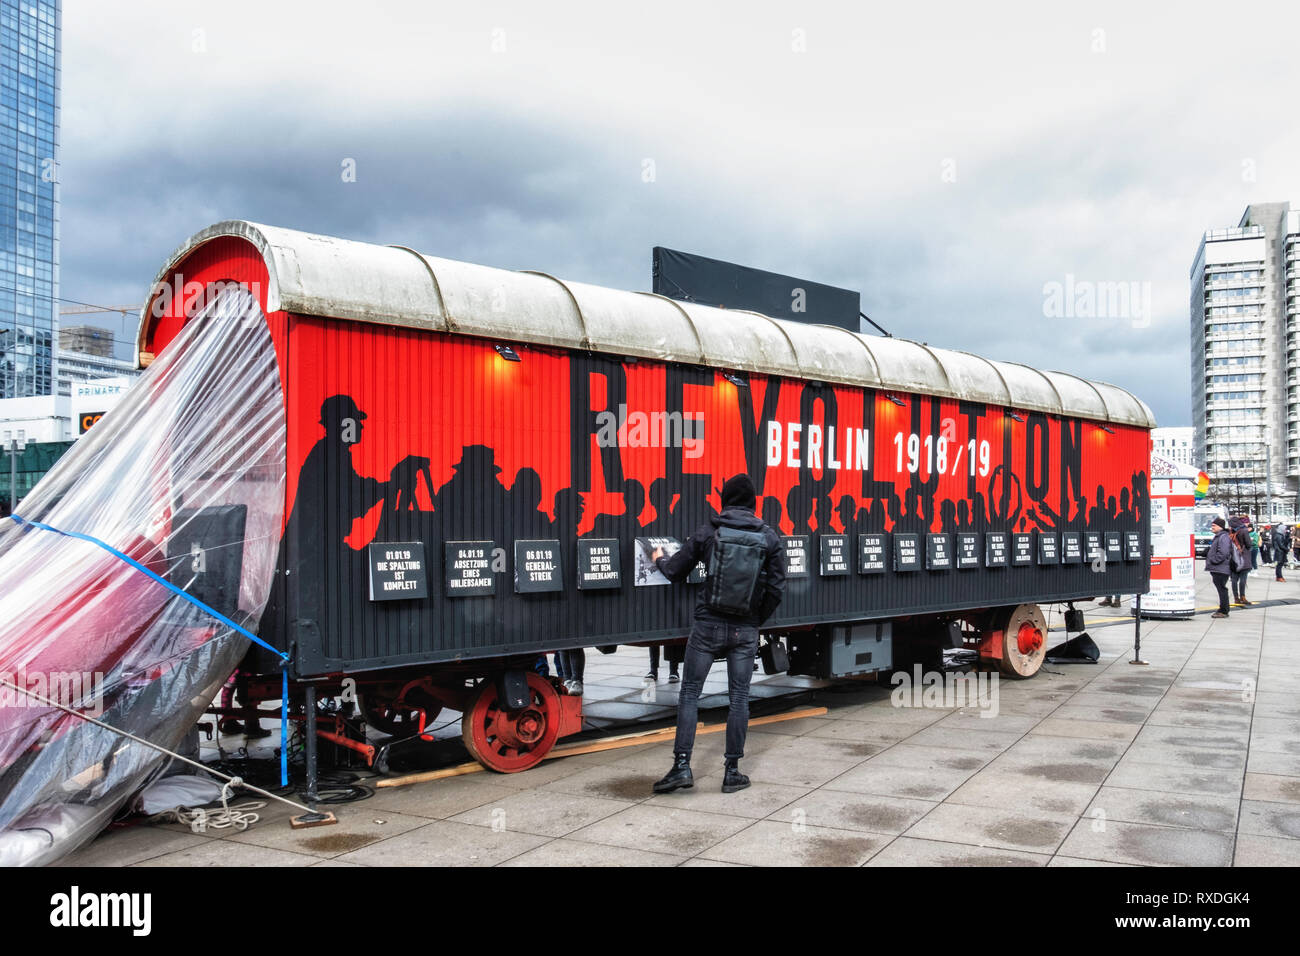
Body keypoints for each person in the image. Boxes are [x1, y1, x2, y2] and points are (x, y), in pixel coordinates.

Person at [650, 474, 785, 795]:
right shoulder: (769, 538)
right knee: (739, 698)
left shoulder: (709, 531)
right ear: (754, 503)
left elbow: (674, 572)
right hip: (745, 630)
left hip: (708, 625)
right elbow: (777, 589)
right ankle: (732, 772)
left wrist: (658, 558)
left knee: (690, 694)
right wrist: (754, 619)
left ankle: (682, 767)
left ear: (724, 502)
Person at [1206, 517, 1234, 618]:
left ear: (1220, 527)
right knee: (1221, 588)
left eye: (1214, 526)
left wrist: (1214, 560)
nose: (1212, 528)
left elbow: (1224, 552)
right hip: (1219, 568)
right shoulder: (1220, 536)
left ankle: (1224, 610)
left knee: (1222, 589)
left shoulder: (1223, 537)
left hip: (1220, 568)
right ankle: (1223, 609)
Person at [1230, 522, 1252, 607]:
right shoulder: (1244, 531)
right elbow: (1249, 544)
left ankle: (1236, 598)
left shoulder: (1231, 532)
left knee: (1234, 579)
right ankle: (1243, 597)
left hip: (1233, 558)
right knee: (1243, 577)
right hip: (1243, 557)